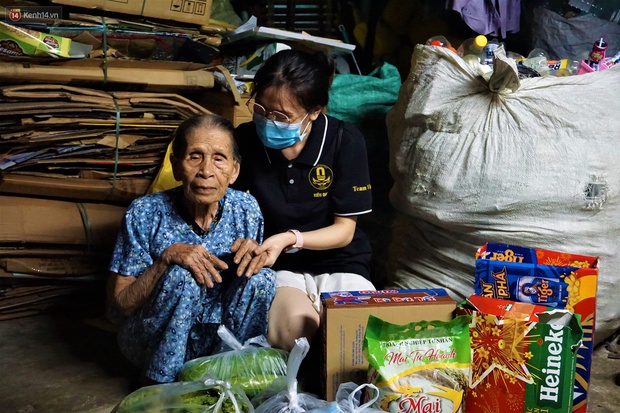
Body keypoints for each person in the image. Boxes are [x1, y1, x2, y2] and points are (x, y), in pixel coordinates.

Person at [106, 113, 276, 384]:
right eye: (194, 156)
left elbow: (248, 289)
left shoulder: (247, 210)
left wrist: (253, 257)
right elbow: (120, 306)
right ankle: (160, 384)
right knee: (181, 274)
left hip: (216, 340)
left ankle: (230, 375)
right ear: (176, 165)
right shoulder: (144, 213)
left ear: (234, 170)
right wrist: (165, 261)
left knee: (262, 278)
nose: (206, 171)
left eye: (219, 158)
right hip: (151, 340)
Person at [232, 49, 376, 352]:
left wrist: (289, 238)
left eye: (282, 116)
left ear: (315, 111)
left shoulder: (344, 141)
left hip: (342, 263)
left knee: (354, 344)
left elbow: (344, 231)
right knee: (300, 340)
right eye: (261, 109)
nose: (269, 121)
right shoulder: (245, 140)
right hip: (279, 267)